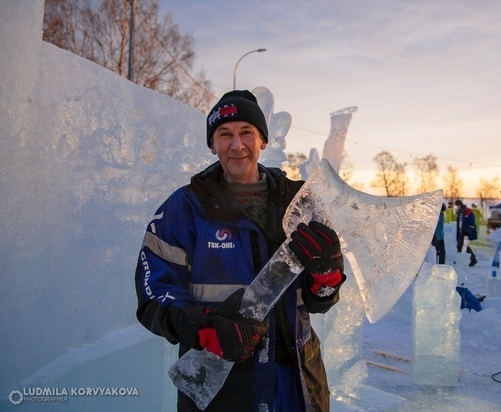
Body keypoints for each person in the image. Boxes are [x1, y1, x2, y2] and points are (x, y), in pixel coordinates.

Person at [135, 90, 346, 412]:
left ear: (262, 140)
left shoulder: (300, 203)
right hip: (222, 389)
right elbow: (154, 294)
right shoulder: (185, 207)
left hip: (298, 384)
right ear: (212, 144)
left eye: (246, 132)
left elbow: (320, 300)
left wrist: (326, 276)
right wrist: (205, 328)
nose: (237, 145)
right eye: (224, 134)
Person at [454, 199, 478, 266]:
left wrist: (468, 232)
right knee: (459, 245)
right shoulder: (460, 213)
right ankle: (460, 259)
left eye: (457, 205)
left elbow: (472, 224)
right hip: (461, 232)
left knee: (465, 246)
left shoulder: (468, 212)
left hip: (466, 233)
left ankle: (473, 259)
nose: (457, 207)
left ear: (460, 205)